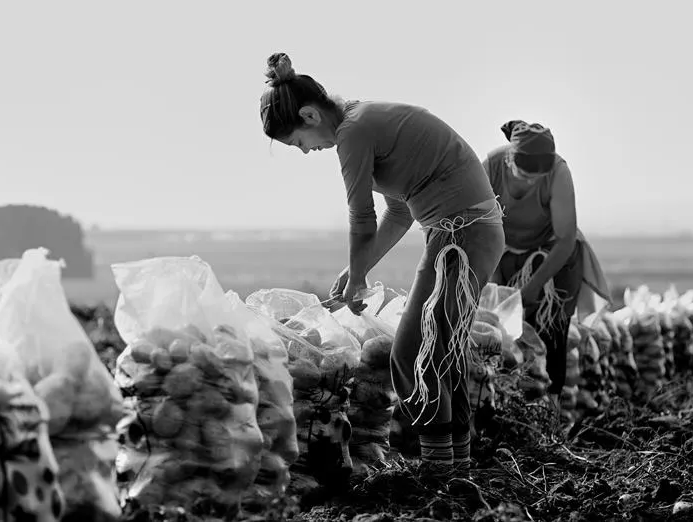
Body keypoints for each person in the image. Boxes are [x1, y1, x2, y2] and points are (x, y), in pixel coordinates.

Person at [259, 52, 504, 489]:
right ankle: (458, 469)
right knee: (440, 349)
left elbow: (361, 217)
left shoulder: (354, 134)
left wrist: (357, 278)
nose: (306, 152)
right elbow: (398, 213)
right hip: (463, 232)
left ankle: (439, 474)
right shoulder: (363, 120)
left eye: (299, 142)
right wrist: (357, 268)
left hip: (460, 237)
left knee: (411, 353)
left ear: (310, 115)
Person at [482, 120, 612, 412]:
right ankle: (509, 406)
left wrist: (533, 286)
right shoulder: (490, 167)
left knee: (550, 330)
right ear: (508, 159)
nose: (530, 182)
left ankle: (550, 412)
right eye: (524, 175)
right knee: (501, 332)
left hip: (555, 257)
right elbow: (481, 229)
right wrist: (495, 282)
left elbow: (565, 240)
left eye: (536, 177)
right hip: (503, 253)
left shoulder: (558, 171)